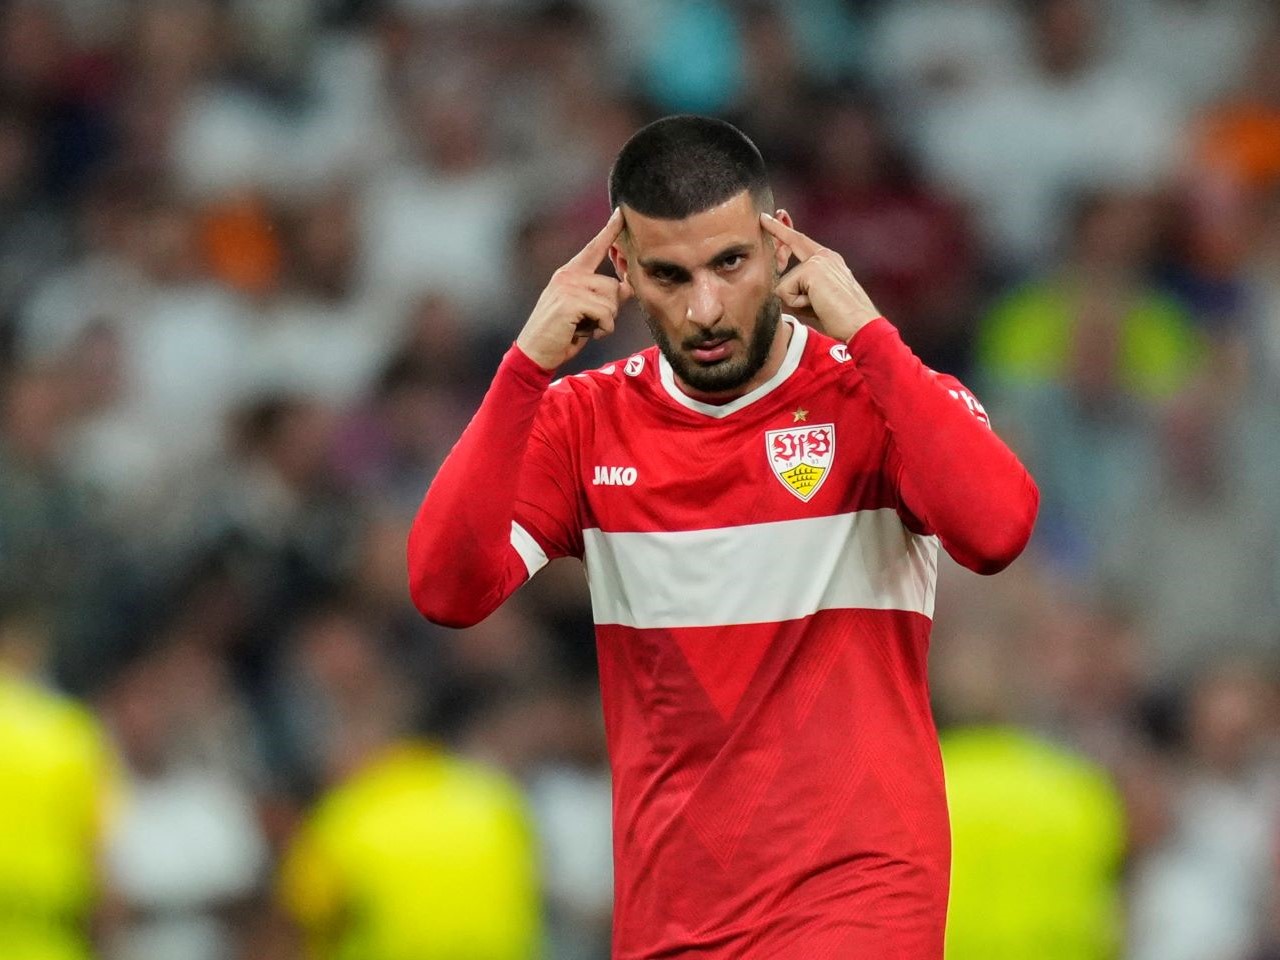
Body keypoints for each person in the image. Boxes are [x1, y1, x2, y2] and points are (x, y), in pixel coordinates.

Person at [407, 115, 1039, 958]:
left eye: (730, 264)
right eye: (670, 276)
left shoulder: (877, 396)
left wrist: (874, 339)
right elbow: (446, 591)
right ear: (622, 272)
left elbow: (997, 531)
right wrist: (526, 366)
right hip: (674, 920)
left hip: (858, 906)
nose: (705, 308)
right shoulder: (583, 423)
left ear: (782, 248)